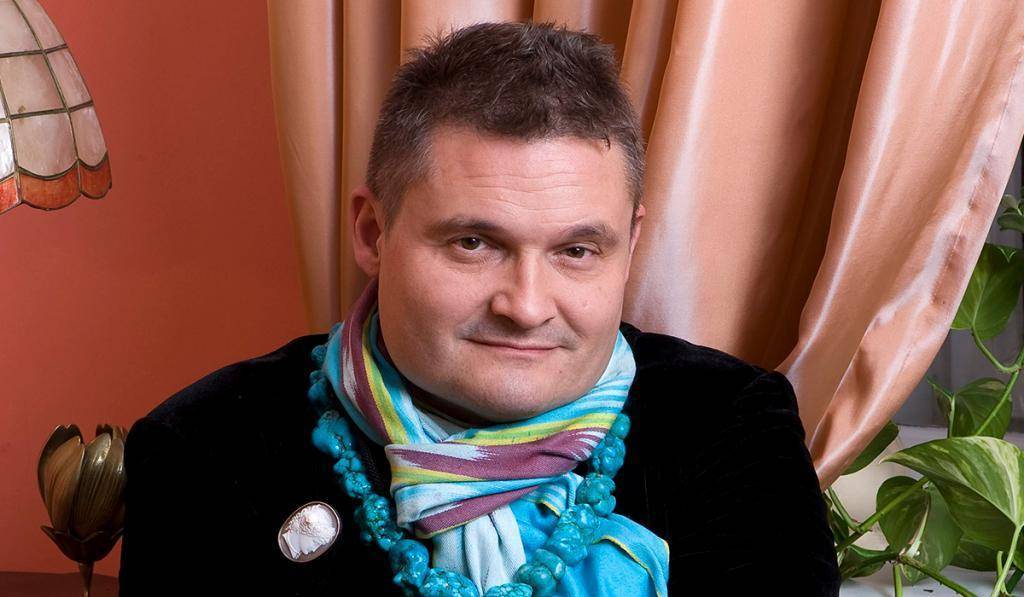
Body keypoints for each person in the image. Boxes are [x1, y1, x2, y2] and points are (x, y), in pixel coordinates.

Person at [118, 21, 840, 596]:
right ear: (372, 233)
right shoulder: (207, 446)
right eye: (473, 243)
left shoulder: (729, 424)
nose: (525, 306)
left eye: (577, 250)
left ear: (631, 244)